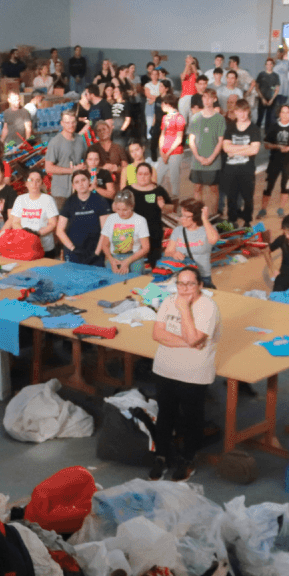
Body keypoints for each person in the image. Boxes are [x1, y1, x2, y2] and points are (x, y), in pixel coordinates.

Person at [149, 265, 220, 483]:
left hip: (193, 374)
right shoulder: (169, 300)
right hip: (165, 369)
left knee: (192, 419)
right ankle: (161, 456)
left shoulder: (208, 307)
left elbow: (194, 337)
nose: (185, 288)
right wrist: (188, 343)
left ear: (200, 285)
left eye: (190, 284)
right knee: (165, 415)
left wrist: (184, 309)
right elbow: (157, 334)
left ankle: (188, 459)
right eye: (181, 283)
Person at [57, 169, 112, 266]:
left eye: (83, 180)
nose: (81, 184)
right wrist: (73, 248)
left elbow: (106, 230)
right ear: (73, 186)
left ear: (89, 182)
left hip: (95, 252)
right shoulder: (69, 202)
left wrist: (97, 253)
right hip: (73, 252)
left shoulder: (100, 200)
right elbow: (59, 230)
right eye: (77, 182)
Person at [220, 100, 261, 227]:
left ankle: (247, 221)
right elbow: (226, 148)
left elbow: (254, 149)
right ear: (235, 112)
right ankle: (232, 220)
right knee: (231, 196)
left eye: (245, 111)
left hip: (247, 169)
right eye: (239, 111)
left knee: (248, 196)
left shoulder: (254, 128)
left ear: (248, 111)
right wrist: (245, 148)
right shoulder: (230, 127)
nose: (242, 114)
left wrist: (234, 149)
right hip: (230, 169)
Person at [184, 88, 225, 211]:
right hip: (198, 161)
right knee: (197, 187)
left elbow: (220, 142)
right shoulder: (195, 118)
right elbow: (190, 140)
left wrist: (211, 158)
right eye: (204, 97)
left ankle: (214, 214)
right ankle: (198, 214)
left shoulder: (219, 118)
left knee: (214, 189)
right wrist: (198, 157)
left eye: (209, 97)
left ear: (214, 99)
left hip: (214, 161)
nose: (207, 100)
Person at [164, 199, 219, 288]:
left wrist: (204, 219)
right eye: (181, 216)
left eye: (186, 216)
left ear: (196, 217)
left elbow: (213, 240)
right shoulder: (178, 230)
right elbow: (168, 252)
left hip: (202, 277)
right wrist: (174, 253)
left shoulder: (207, 229)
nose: (182, 219)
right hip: (182, 276)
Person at [259, 104, 289, 220]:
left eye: (287, 112)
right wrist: (277, 146)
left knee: (285, 186)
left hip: (288, 162)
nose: (285, 115)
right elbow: (266, 145)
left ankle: (281, 209)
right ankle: (263, 209)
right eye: (283, 112)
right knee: (268, 186)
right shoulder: (273, 127)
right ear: (279, 114)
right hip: (274, 162)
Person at [126, 161, 171, 267]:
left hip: (154, 231)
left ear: (151, 175)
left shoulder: (158, 190)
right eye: (140, 174)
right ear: (136, 175)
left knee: (154, 263)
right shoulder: (128, 190)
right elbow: (116, 208)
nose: (143, 177)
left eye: (146, 174)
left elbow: (171, 208)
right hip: (132, 233)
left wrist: (163, 206)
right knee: (133, 263)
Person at [98, 189, 150, 275]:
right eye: (118, 209)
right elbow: (105, 245)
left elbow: (146, 248)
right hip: (114, 257)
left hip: (134, 258)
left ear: (132, 206)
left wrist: (127, 261)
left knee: (135, 283)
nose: (121, 213)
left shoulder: (140, 220)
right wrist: (112, 260)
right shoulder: (111, 219)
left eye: (125, 210)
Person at [9, 167, 59, 255]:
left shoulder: (48, 200)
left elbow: (53, 224)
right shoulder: (20, 199)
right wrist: (26, 235)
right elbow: (15, 222)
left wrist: (37, 233)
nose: (34, 184)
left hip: (45, 248)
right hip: (25, 246)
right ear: (26, 183)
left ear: (41, 183)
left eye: (37, 180)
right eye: (31, 180)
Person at [44, 111, 87, 204]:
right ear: (62, 123)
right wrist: (72, 170)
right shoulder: (55, 142)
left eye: (73, 122)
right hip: (61, 193)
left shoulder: (80, 139)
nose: (71, 125)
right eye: (67, 122)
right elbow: (48, 168)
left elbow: (86, 160)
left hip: (78, 192)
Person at [156, 94, 186, 198]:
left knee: (174, 179)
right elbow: (162, 134)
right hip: (164, 151)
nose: (161, 106)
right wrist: (161, 150)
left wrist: (168, 153)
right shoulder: (165, 117)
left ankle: (174, 202)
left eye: (162, 104)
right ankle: (153, 199)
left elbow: (179, 138)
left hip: (175, 152)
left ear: (167, 104)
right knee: (157, 177)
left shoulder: (179, 118)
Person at [254, 58, 281, 129]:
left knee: (269, 118)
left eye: (270, 64)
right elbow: (257, 88)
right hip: (262, 98)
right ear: (265, 65)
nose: (269, 66)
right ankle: (256, 133)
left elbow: (277, 89)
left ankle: (267, 135)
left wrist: (272, 99)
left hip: (271, 99)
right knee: (260, 117)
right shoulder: (261, 74)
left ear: (273, 65)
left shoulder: (275, 76)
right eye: (267, 64)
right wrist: (262, 98)